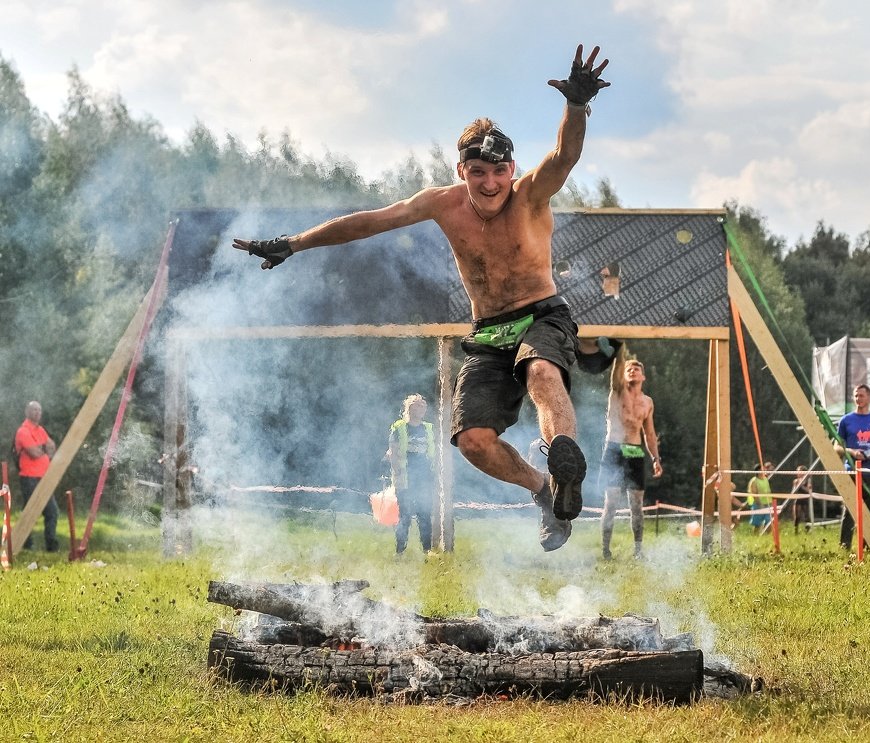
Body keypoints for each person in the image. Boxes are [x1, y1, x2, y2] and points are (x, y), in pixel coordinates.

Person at [234, 46, 611, 552]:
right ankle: (544, 491)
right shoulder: (441, 203)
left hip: (543, 314)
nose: (491, 183)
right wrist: (294, 243)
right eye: (479, 172)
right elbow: (370, 221)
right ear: (462, 171)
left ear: (512, 168)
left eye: (499, 172)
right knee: (473, 441)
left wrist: (577, 105)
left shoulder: (530, 194)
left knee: (543, 372)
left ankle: (563, 460)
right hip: (489, 332)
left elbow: (564, 155)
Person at [598, 348, 662, 559]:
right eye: (629, 369)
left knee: (637, 504)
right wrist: (619, 351)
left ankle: (638, 550)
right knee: (612, 502)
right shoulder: (617, 392)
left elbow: (650, 433)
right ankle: (606, 550)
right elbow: (616, 374)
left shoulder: (648, 402)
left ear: (643, 376)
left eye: (636, 368)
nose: (632, 371)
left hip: (634, 451)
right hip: (615, 448)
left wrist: (655, 458)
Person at [833, 384, 870, 551]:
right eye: (856, 396)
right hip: (851, 471)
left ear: (869, 397)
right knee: (849, 510)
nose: (858, 399)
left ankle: (867, 548)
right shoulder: (846, 420)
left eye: (862, 396)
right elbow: (836, 447)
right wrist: (851, 451)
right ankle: (845, 547)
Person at [388, 394, 435, 555]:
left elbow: (433, 452)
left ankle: (427, 551)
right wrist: (397, 472)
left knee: (424, 514)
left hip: (424, 477)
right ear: (409, 408)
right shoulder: (400, 427)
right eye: (417, 405)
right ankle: (399, 551)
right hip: (405, 477)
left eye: (423, 405)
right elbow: (393, 452)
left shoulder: (428, 428)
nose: (421, 408)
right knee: (405, 516)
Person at [13, 401, 58, 552]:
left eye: (39, 410)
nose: (37, 413)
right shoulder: (23, 431)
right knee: (30, 513)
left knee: (52, 511)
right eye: (34, 410)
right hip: (29, 478)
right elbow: (33, 453)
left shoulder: (41, 430)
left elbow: (52, 446)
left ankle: (51, 547)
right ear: (27, 411)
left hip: (44, 478)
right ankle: (26, 544)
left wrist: (42, 449)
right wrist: (42, 449)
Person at [744, 462, 773, 534]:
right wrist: (760, 504)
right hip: (758, 505)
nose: (764, 470)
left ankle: (765, 536)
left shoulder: (765, 479)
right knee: (757, 524)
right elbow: (754, 494)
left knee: (769, 522)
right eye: (762, 469)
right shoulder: (754, 481)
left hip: (768, 504)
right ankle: (755, 537)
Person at [791, 465, 813, 533]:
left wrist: (801, 486)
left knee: (806, 516)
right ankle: (796, 531)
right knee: (797, 516)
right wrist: (796, 485)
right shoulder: (795, 481)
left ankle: (807, 531)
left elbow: (809, 491)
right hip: (797, 499)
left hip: (805, 499)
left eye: (799, 471)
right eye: (797, 471)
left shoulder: (808, 480)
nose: (797, 473)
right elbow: (793, 492)